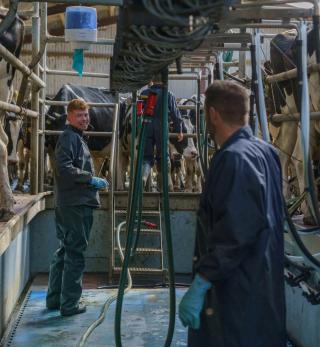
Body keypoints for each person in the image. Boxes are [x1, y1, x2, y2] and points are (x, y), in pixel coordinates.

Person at [179, 81, 286, 347]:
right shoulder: (267, 152)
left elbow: (236, 233)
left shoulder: (233, 158)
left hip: (235, 297)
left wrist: (202, 280)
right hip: (262, 287)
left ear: (212, 114)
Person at [46, 99, 108, 317]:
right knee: (75, 254)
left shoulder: (75, 138)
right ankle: (70, 304)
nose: (85, 119)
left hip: (71, 203)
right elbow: (63, 169)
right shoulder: (69, 138)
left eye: (86, 115)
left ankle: (54, 299)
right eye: (80, 115)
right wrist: (91, 179)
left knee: (64, 250)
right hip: (75, 204)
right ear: (69, 117)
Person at [141, 75, 184, 188]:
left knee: (146, 157)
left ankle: (143, 177)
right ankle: (164, 185)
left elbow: (138, 111)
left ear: (152, 80)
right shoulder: (168, 94)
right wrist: (179, 130)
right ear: (164, 80)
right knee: (163, 156)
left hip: (146, 126)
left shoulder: (145, 93)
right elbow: (175, 114)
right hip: (161, 126)